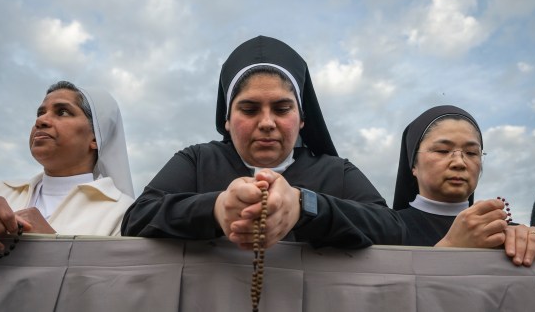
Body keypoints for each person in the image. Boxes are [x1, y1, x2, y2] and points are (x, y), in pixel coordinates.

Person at [122, 35, 405, 249]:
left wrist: (304, 205)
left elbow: (393, 229)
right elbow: (136, 219)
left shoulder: (336, 171)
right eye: (249, 109)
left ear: (302, 120)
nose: (267, 122)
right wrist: (216, 209)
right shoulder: (197, 160)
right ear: (227, 120)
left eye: (282, 109)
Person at [0, 81, 135, 255]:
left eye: (62, 112)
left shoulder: (122, 213)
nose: (40, 121)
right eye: (41, 113)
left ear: (96, 138)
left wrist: (53, 243)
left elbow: (112, 289)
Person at [393, 105, 535, 266]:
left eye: (471, 153)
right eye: (442, 150)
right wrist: (448, 249)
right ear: (413, 164)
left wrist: (529, 243)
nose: (459, 162)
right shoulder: (387, 230)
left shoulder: (505, 234)